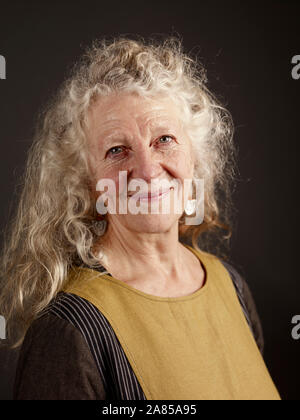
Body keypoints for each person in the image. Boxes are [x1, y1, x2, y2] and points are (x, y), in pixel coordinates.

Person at [0, 35, 281, 400]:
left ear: (195, 157)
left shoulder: (233, 287)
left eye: (164, 139)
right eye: (117, 150)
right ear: (86, 181)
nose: (147, 171)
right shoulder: (69, 329)